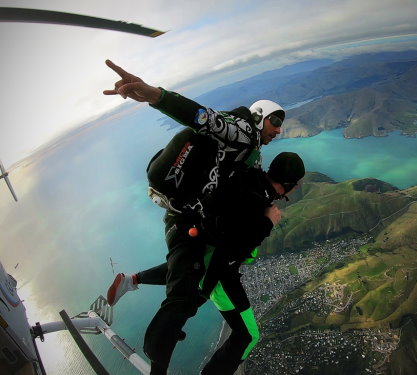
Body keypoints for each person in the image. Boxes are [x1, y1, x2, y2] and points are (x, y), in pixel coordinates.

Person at [103, 60, 287, 374]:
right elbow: (205, 118)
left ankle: (132, 281)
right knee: (185, 297)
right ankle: (158, 366)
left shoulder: (251, 147)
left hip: (185, 213)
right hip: (188, 216)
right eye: (275, 121)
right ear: (260, 116)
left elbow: (251, 179)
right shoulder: (242, 130)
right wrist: (155, 95)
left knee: (189, 271)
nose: (279, 129)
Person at [108, 152, 305, 374]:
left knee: (187, 272)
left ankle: (132, 280)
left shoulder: (250, 178)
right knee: (248, 335)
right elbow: (232, 249)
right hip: (220, 276)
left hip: (202, 250)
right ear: (293, 186)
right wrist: (267, 223)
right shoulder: (256, 201)